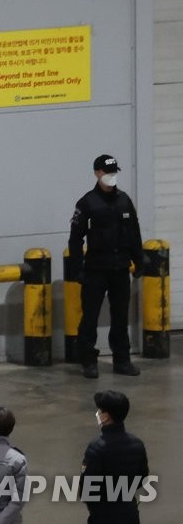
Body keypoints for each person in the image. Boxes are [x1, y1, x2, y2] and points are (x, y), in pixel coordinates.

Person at [68, 154, 144, 379]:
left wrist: (139, 260)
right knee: (90, 317)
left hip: (120, 269)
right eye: (106, 172)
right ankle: (88, 361)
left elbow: (134, 234)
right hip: (95, 270)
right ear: (97, 173)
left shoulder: (124, 200)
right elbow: (75, 239)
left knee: (120, 317)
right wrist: (77, 269)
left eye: (113, 172)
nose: (111, 177)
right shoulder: (87, 203)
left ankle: (122, 360)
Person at [82, 390, 149, 524]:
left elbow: (87, 487)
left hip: (103, 518)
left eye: (100, 410)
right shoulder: (137, 444)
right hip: (128, 513)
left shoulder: (97, 447)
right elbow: (142, 477)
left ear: (106, 416)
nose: (98, 413)